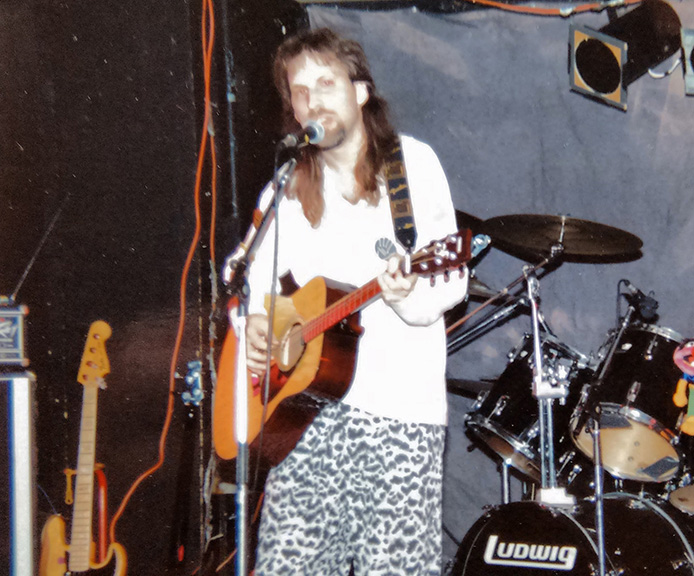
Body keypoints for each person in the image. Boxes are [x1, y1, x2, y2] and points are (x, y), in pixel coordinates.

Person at [239, 27, 468, 575]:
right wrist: (254, 325)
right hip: (304, 420)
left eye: (326, 83)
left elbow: (451, 281)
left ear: (360, 91)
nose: (313, 100)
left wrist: (408, 292)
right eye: (300, 91)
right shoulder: (285, 190)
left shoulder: (412, 166)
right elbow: (254, 286)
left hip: (399, 418)